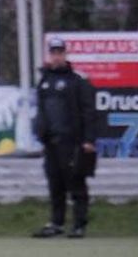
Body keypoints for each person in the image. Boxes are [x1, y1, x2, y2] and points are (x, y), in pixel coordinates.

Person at [31, 37, 97, 239]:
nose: (56, 57)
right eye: (53, 53)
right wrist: (40, 132)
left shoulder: (77, 80)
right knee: (55, 183)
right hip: (50, 141)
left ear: (65, 54)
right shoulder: (44, 81)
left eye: (60, 53)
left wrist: (89, 139)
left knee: (76, 182)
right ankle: (56, 222)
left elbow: (89, 111)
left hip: (72, 141)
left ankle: (79, 224)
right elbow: (41, 110)